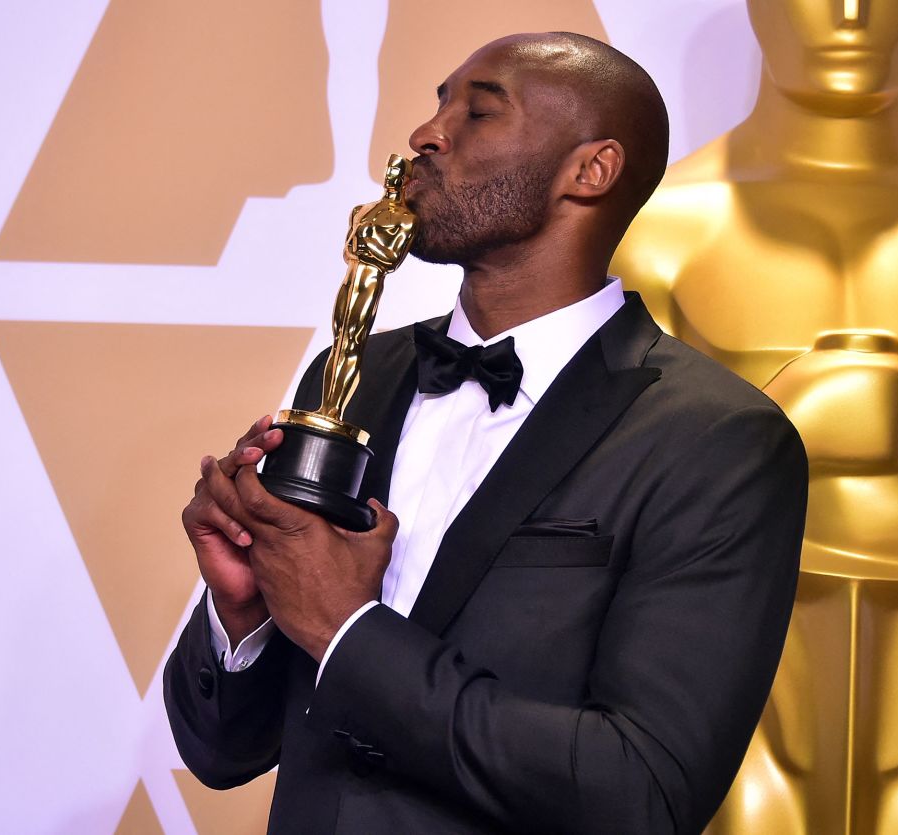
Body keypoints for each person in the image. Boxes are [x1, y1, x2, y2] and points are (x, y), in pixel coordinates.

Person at [165, 32, 808, 835]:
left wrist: (348, 631)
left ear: (591, 170)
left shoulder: (718, 441)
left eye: (478, 110)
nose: (428, 134)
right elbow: (223, 753)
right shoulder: (353, 374)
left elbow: (640, 792)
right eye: (438, 103)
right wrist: (245, 613)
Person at [610, 0, 898, 830]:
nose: (852, 14)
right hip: (729, 710)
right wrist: (790, 428)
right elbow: (611, 512)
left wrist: (885, 508)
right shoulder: (659, 236)